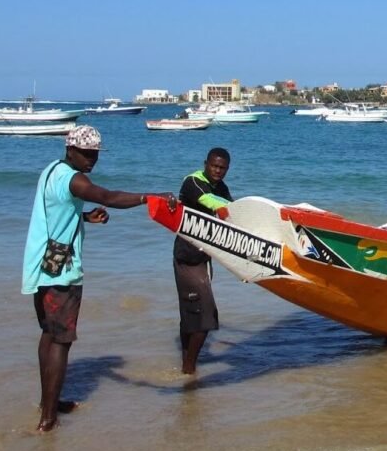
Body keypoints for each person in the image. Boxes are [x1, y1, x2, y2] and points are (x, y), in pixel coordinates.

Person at [22, 125, 176, 432]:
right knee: (60, 342)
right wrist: (150, 197)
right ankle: (49, 419)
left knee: (49, 335)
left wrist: (85, 218)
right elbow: (108, 196)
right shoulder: (75, 179)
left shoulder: (51, 171)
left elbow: (57, 211)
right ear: (71, 150)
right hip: (61, 269)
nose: (92, 159)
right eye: (87, 153)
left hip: (40, 263)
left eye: (95, 154)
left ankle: (49, 402)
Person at [174, 147, 233, 375]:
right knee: (206, 317)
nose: (218, 171)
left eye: (223, 168)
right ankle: (189, 369)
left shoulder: (221, 187)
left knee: (191, 314)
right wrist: (229, 208)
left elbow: (231, 209)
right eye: (215, 166)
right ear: (206, 163)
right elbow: (209, 202)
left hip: (204, 257)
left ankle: (186, 367)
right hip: (187, 257)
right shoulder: (193, 182)